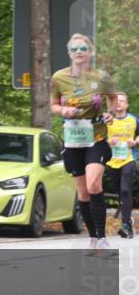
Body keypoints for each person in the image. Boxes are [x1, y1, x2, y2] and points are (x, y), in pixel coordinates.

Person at [50, 33, 116, 253]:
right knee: (83, 194)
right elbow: (53, 105)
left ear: (90, 52)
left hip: (96, 137)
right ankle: (93, 237)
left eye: (83, 48)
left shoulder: (102, 77)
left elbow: (113, 98)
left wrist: (111, 113)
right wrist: (63, 109)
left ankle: (103, 239)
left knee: (94, 184)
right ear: (69, 53)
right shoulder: (58, 78)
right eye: (75, 48)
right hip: (73, 140)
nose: (79, 52)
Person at [106, 92, 137, 239]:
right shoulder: (107, 120)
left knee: (125, 190)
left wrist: (135, 142)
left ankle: (126, 225)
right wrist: (109, 142)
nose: (118, 103)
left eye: (122, 101)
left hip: (128, 159)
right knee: (121, 193)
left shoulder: (133, 120)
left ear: (126, 105)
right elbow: (98, 139)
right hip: (112, 162)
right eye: (116, 101)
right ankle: (128, 220)